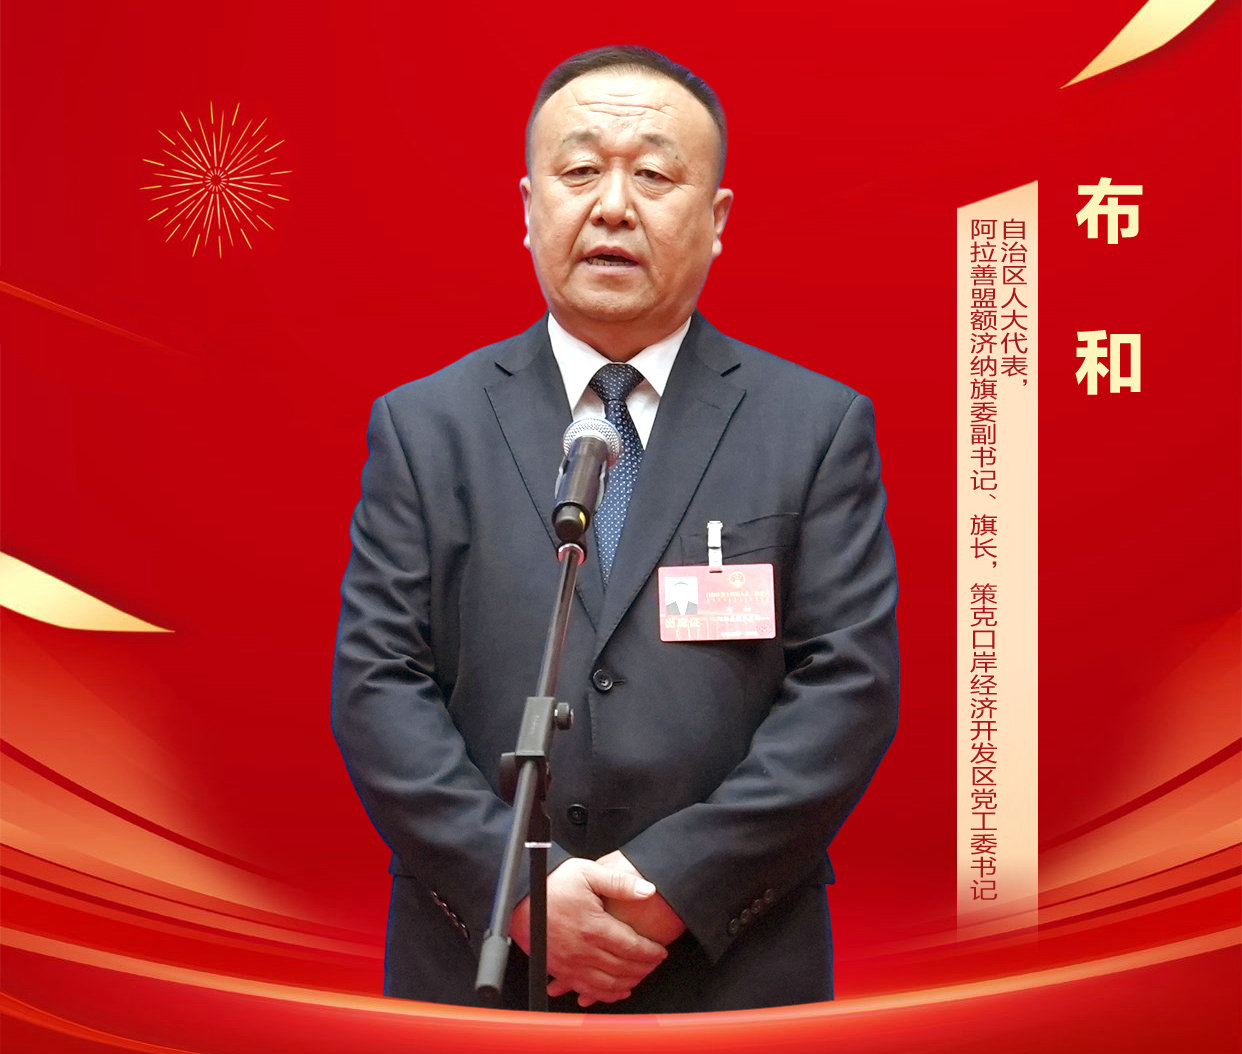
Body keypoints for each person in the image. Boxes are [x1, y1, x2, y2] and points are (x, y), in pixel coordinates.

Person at [331, 45, 899, 1014]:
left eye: (655, 176)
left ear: (717, 220)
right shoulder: (425, 427)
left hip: (730, 969)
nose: (613, 206)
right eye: (582, 170)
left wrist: (669, 887)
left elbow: (848, 691)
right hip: (484, 967)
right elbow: (377, 685)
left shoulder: (815, 427)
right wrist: (518, 890)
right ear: (528, 208)